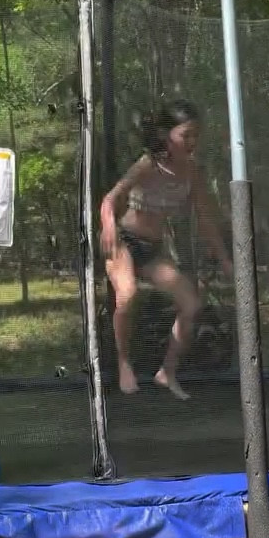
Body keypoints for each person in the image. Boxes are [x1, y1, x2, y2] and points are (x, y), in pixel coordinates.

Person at [100, 99, 232, 400]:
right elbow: (110, 200)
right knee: (128, 293)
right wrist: (108, 225)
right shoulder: (149, 163)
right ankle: (123, 362)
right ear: (166, 135)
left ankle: (166, 371)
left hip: (152, 249)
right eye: (185, 135)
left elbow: (206, 221)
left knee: (191, 304)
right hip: (122, 240)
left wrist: (224, 258)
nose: (191, 142)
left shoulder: (193, 172)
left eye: (196, 135)